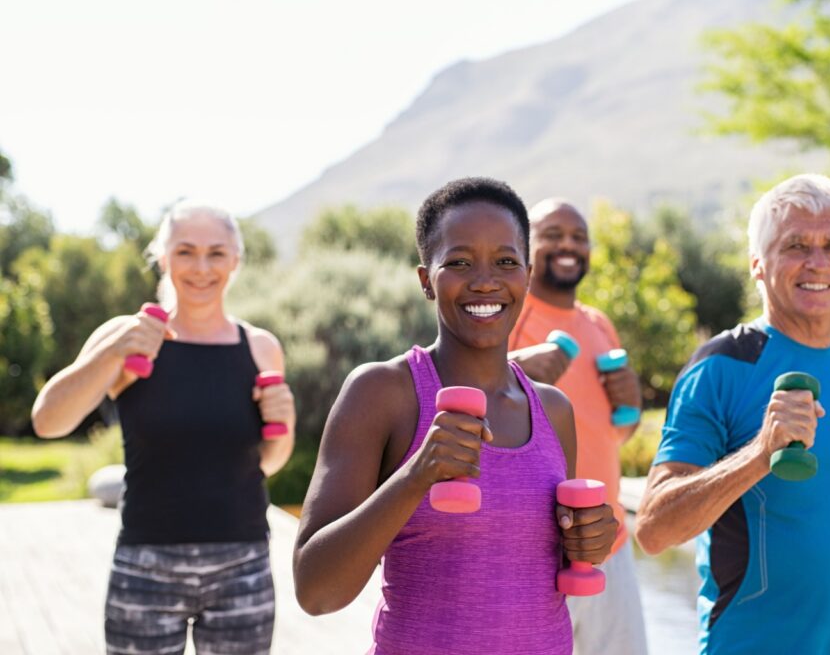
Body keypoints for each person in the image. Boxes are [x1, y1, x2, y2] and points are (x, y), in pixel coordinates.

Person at [292, 177, 618, 655]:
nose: (485, 280)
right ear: (427, 280)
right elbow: (316, 592)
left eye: (506, 262)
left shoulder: (553, 409)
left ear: (527, 274)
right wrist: (416, 474)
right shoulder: (383, 392)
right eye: (459, 262)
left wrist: (591, 540)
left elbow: (533, 565)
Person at [635, 174, 830, 654]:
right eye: (796, 245)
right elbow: (655, 530)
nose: (817, 262)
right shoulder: (722, 367)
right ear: (758, 265)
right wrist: (760, 455)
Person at [31, 200, 295, 655]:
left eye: (216, 253)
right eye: (186, 252)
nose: (201, 268)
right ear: (163, 257)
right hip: (146, 564)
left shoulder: (260, 347)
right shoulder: (127, 335)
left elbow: (267, 462)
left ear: (235, 260)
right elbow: (48, 422)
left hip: (242, 565)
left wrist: (284, 423)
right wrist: (112, 352)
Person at [508, 198, 648, 655]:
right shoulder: (508, 315)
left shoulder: (598, 324)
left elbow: (613, 435)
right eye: (553, 235)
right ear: (527, 246)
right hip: (535, 552)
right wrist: (514, 371)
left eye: (578, 237)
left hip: (611, 544)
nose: (568, 245)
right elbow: (466, 404)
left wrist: (632, 405)